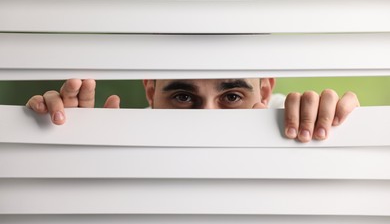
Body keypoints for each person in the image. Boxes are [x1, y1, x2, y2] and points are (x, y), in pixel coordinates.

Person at [26, 78, 360, 143]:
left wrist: (340, 134)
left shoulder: (292, 124)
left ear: (266, 88)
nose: (208, 121)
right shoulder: (122, 142)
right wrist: (61, 144)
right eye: (184, 97)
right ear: (151, 89)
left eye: (231, 96)